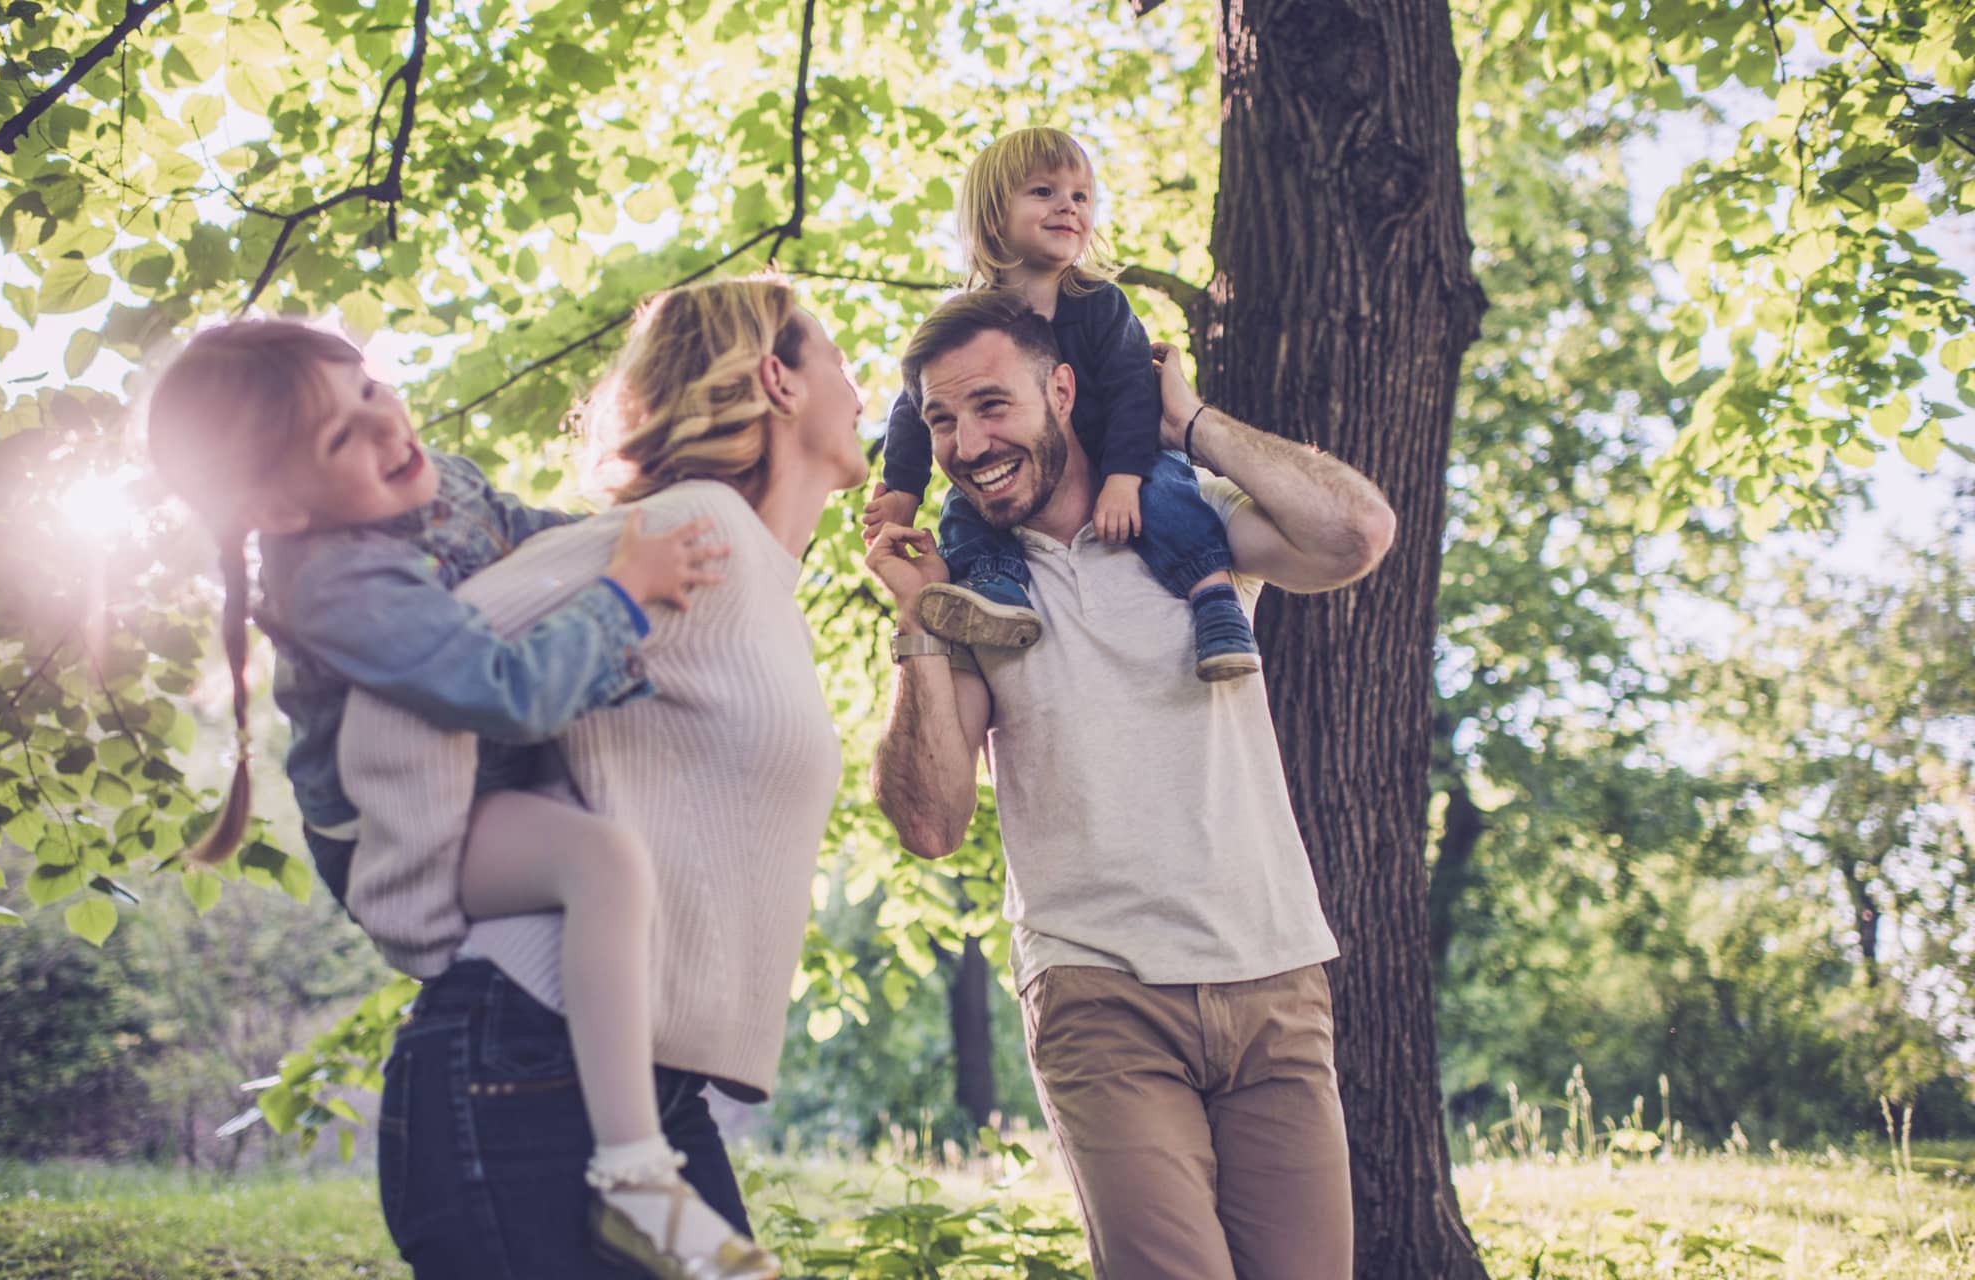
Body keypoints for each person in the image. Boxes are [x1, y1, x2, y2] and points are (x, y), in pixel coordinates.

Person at [144, 319, 756, 1275]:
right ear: (279, 507)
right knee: (602, 863)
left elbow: (543, 551)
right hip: (410, 830)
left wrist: (637, 538)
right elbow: (502, 691)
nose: (388, 431)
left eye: (372, 392)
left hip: (493, 778)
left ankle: (662, 1136)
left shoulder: (450, 482)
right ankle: (637, 1177)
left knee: (629, 827)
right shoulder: (340, 585)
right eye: (341, 439)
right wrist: (625, 595)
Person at [332, 277, 868, 1279]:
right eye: (836, 358)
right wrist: (419, 884)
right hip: (522, 1064)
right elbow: (415, 673)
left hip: (635, 1096)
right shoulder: (692, 532)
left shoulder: (753, 576)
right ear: (775, 379)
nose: (859, 384)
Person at [864, 290, 1394, 1280]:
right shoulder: (981, 594)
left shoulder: (1179, 523)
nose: (968, 442)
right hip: (1098, 989)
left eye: (992, 406)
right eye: (940, 420)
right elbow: (930, 818)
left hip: (1271, 973)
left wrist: (1189, 423)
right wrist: (919, 622)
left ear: (1062, 388)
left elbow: (1354, 534)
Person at [863, 126, 1260, 681]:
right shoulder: (966, 322)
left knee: (1170, 490)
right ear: (993, 214)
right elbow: (915, 406)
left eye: (1081, 197)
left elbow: (1132, 390)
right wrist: (904, 490)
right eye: (1043, 192)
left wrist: (1122, 477)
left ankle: (1213, 599)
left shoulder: (1099, 304)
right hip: (1023, 473)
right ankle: (996, 591)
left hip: (1122, 453)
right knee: (963, 511)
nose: (1068, 208)